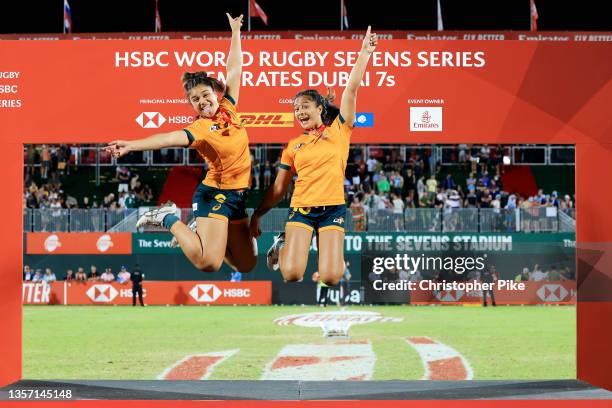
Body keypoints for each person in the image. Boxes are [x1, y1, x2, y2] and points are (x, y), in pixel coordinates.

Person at [106, 14, 256, 276]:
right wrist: (131, 145)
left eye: (206, 95)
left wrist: (235, 32)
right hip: (215, 194)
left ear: (215, 94)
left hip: (237, 195)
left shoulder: (229, 108)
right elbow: (166, 138)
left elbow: (235, 69)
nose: (202, 101)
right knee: (209, 263)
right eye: (195, 99)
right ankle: (166, 217)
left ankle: (195, 229)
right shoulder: (199, 129)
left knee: (246, 264)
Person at [250, 27, 378, 286]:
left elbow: (351, 90)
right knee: (291, 274)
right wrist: (257, 215)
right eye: (296, 109)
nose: (299, 112)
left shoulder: (340, 129)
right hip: (302, 209)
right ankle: (282, 242)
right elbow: (278, 188)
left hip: (332, 209)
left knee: (331, 278)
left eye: (305, 106)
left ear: (320, 108)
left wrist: (365, 53)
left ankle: (330, 257)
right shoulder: (294, 145)